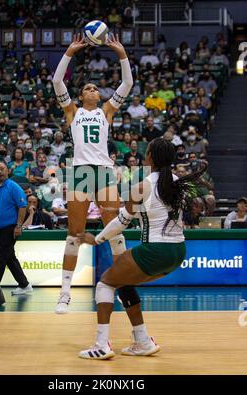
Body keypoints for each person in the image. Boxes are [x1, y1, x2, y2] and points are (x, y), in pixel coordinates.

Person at [76, 138, 206, 359]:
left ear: (151, 158)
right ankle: (143, 340)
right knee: (123, 282)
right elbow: (154, 210)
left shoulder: (142, 186)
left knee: (105, 284)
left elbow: (121, 222)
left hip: (154, 250)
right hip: (178, 251)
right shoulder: (177, 183)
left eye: (147, 153)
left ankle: (101, 345)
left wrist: (96, 239)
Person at [52, 33, 133, 313]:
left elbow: (127, 83)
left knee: (116, 232)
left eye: (95, 88)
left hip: (104, 172)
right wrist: (69, 53)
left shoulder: (106, 112)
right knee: (75, 233)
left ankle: (124, 288)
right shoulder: (72, 112)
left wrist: (121, 54)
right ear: (81, 95)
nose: (92, 89)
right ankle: (64, 293)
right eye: (88, 87)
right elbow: (57, 82)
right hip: (79, 173)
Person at [0, 161, 32, 295]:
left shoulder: (13, 186)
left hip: (10, 228)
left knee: (1, 256)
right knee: (9, 257)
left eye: (2, 169)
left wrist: (18, 225)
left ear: (7, 171)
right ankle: (24, 285)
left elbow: (22, 206)